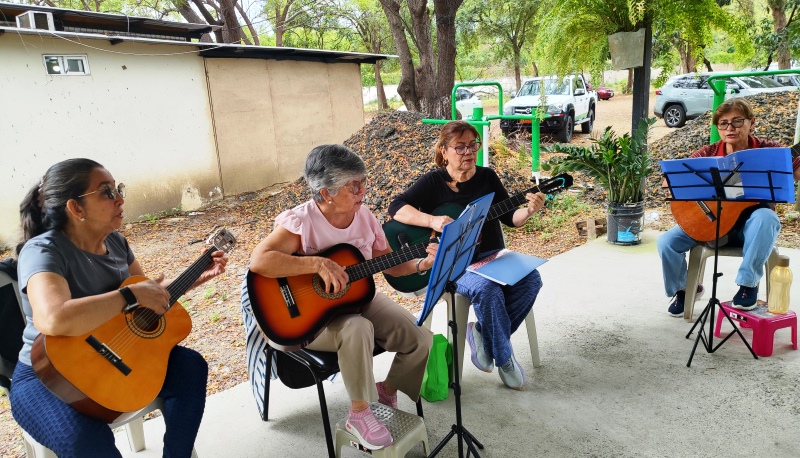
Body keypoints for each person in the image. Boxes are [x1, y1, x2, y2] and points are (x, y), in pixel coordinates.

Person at [10, 158, 228, 458]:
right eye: (107, 192)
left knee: (190, 367)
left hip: (113, 360)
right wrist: (132, 295)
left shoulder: (116, 242)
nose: (120, 198)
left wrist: (190, 281)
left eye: (118, 188)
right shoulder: (44, 250)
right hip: (46, 378)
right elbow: (53, 317)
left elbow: (142, 306)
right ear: (76, 208)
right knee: (87, 442)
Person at [246, 144, 435, 451]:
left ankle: (386, 390)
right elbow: (260, 261)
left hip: (357, 298)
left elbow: (391, 262)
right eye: (353, 185)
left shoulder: (364, 217)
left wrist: (421, 263)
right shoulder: (300, 221)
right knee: (358, 329)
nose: (363, 190)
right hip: (306, 317)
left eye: (363, 181)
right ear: (325, 194)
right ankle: (359, 413)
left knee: (420, 338)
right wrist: (316, 263)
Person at [388, 120, 546, 390]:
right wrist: (433, 222)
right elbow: (396, 208)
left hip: (493, 256)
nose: (468, 152)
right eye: (459, 147)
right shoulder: (433, 181)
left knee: (531, 279)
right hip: (455, 264)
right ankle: (505, 358)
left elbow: (511, 218)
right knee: (487, 290)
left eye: (473, 145)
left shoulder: (487, 177)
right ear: (444, 151)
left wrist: (530, 210)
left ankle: (482, 333)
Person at [658, 98, 800, 317]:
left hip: (749, 231)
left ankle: (747, 285)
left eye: (737, 121)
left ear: (752, 122)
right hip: (710, 224)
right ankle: (685, 289)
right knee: (667, 242)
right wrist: (675, 181)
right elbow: (673, 181)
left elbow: (794, 174)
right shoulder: (709, 152)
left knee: (767, 218)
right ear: (718, 127)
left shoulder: (768, 151)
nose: (730, 128)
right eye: (723, 123)